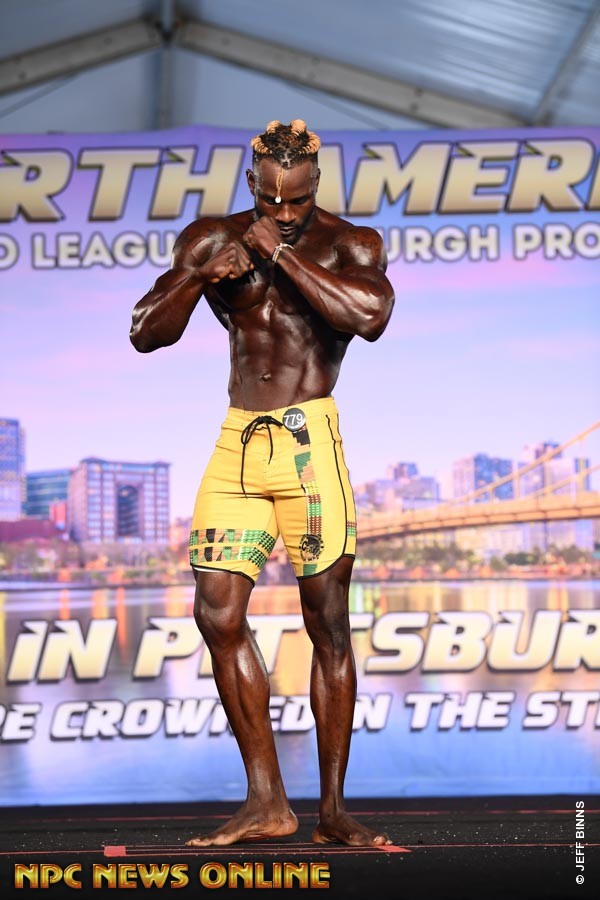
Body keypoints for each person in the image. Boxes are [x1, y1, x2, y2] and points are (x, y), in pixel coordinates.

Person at [130, 119, 395, 847]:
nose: (284, 211)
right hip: (237, 444)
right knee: (216, 616)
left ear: (315, 185)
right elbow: (146, 332)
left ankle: (332, 810)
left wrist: (279, 253)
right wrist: (198, 277)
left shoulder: (351, 243)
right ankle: (267, 801)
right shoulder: (210, 237)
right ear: (252, 183)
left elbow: (368, 317)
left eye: (298, 200)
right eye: (272, 200)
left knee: (327, 624)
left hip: (309, 443)